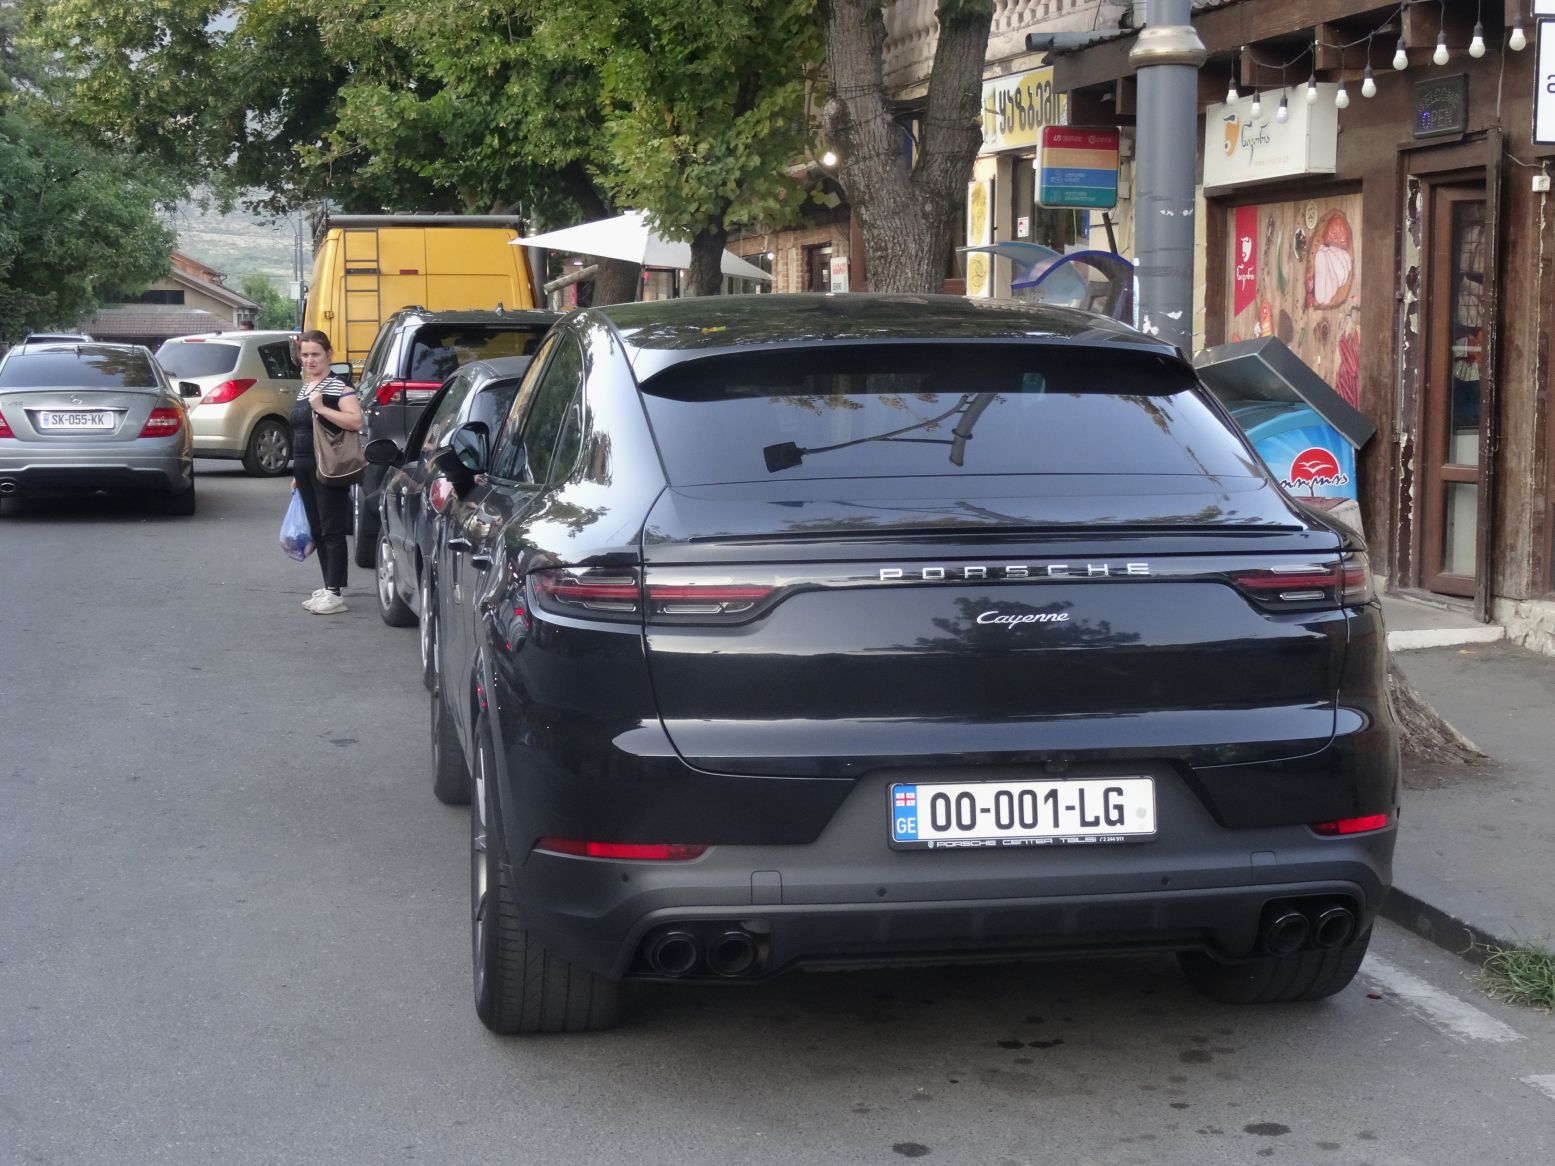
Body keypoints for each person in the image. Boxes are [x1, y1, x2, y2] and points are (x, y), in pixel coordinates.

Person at [290, 330, 362, 614]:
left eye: (315, 354)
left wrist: (321, 408)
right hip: (305, 464)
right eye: (305, 355)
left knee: (332, 528)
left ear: (328, 355)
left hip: (329, 467)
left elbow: (356, 420)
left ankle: (335, 591)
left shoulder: (338, 387)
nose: (310, 360)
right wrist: (296, 473)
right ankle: (327, 584)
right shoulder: (305, 387)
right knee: (317, 528)